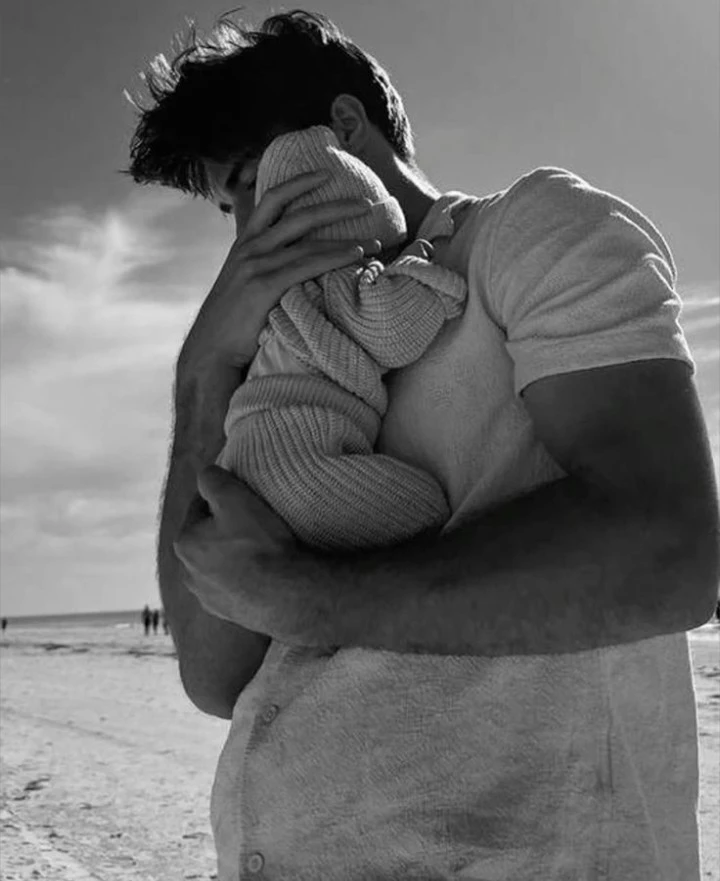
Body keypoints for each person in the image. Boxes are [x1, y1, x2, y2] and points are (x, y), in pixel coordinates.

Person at [126, 10, 720, 881]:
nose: (245, 230)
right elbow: (215, 676)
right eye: (228, 210)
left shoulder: (529, 232)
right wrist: (203, 367)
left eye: (250, 181)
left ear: (343, 128)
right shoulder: (277, 350)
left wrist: (307, 598)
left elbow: (670, 554)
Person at [217, 123, 467, 550]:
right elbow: (396, 332)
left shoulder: (282, 305)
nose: (244, 222)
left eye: (252, 185)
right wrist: (425, 266)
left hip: (248, 458)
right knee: (429, 517)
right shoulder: (339, 288)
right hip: (296, 464)